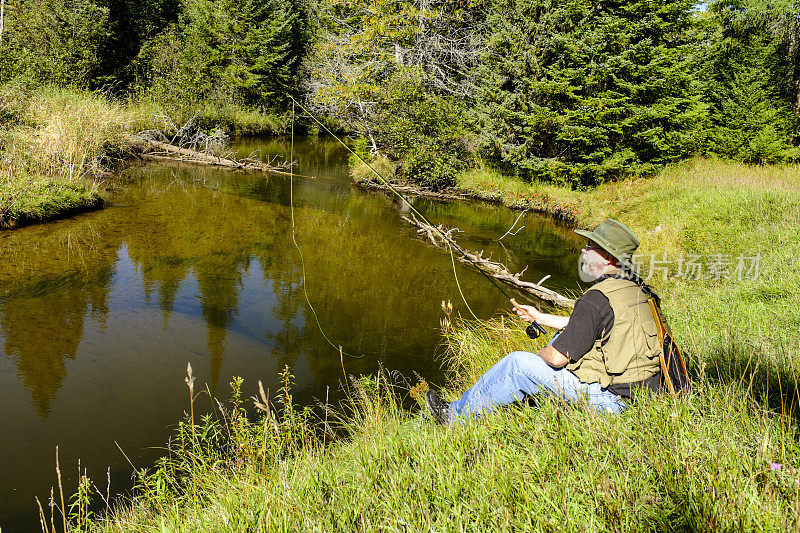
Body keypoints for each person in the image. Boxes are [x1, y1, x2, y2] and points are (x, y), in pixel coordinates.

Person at [425, 218, 664, 424]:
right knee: (560, 337)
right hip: (644, 395)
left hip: (613, 402)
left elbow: (557, 359)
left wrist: (541, 354)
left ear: (608, 256)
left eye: (590, 246)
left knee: (518, 363)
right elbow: (597, 324)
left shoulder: (596, 298)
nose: (583, 249)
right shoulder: (638, 289)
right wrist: (540, 317)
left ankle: (453, 417)